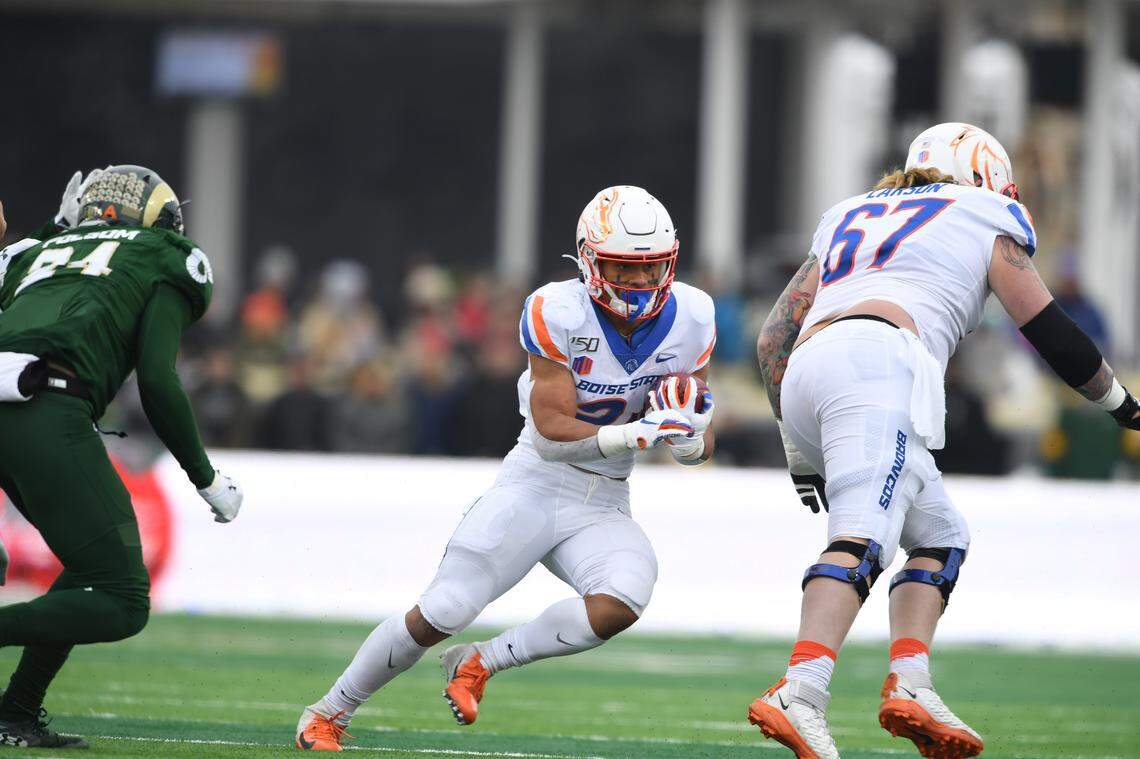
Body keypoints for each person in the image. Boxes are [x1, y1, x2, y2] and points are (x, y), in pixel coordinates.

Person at [750, 123, 1140, 759]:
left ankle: (911, 679)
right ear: (985, 179)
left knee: (940, 536)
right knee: (862, 536)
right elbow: (1050, 331)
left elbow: (773, 339)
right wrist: (1122, 405)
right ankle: (802, 689)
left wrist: (798, 448)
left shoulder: (855, 213)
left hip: (808, 373)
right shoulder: (981, 213)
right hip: (877, 362)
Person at [295, 185, 717, 751]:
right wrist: (635, 433)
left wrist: (689, 443)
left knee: (623, 598)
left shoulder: (694, 313)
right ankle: (329, 711)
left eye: (651, 269)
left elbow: (696, 423)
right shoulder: (556, 308)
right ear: (591, 261)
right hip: (537, 485)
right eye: (624, 267)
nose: (640, 284)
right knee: (444, 609)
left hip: (607, 498)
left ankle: (480, 663)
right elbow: (551, 432)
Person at [0, 166, 244, 748]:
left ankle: (15, 711)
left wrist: (50, 230)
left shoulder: (34, 250)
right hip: (41, 408)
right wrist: (205, 478)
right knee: (122, 599)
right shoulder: (165, 254)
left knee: (86, 571)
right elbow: (157, 380)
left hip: (20, 398)